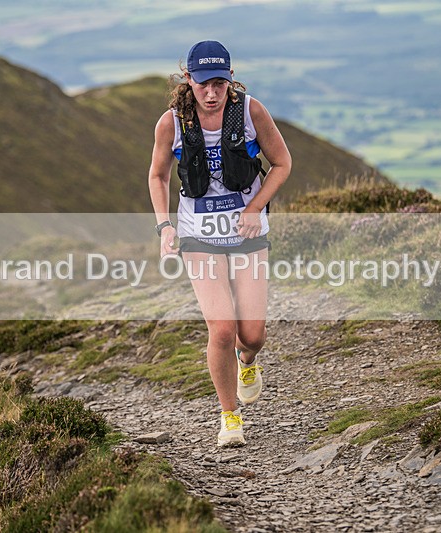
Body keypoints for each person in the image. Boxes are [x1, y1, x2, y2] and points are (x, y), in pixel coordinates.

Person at [148, 40, 292, 446]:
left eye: (219, 84)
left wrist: (255, 208)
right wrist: (165, 227)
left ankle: (248, 361)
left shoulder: (250, 112)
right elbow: (157, 176)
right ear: (187, 79)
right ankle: (230, 417)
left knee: (253, 335)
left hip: (247, 234)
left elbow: (283, 163)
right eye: (202, 85)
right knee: (222, 329)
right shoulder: (171, 123)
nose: (211, 94)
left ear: (230, 78)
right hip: (198, 235)